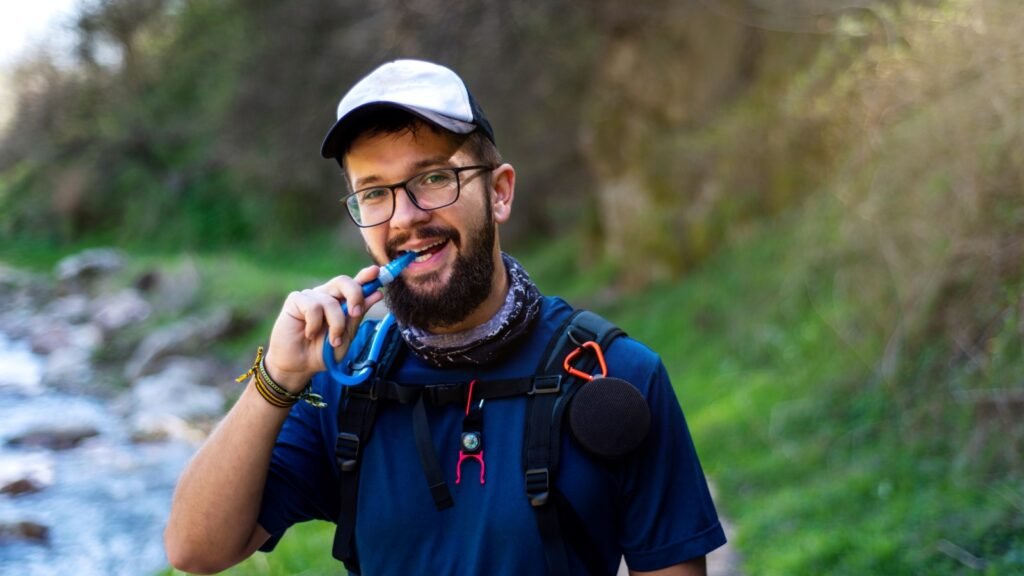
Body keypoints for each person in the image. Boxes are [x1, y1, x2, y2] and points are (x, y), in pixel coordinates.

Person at [165, 59, 726, 575]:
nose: (405, 218)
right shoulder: (346, 388)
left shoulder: (617, 376)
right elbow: (196, 549)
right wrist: (278, 378)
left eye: (433, 178)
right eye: (375, 193)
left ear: (499, 192)